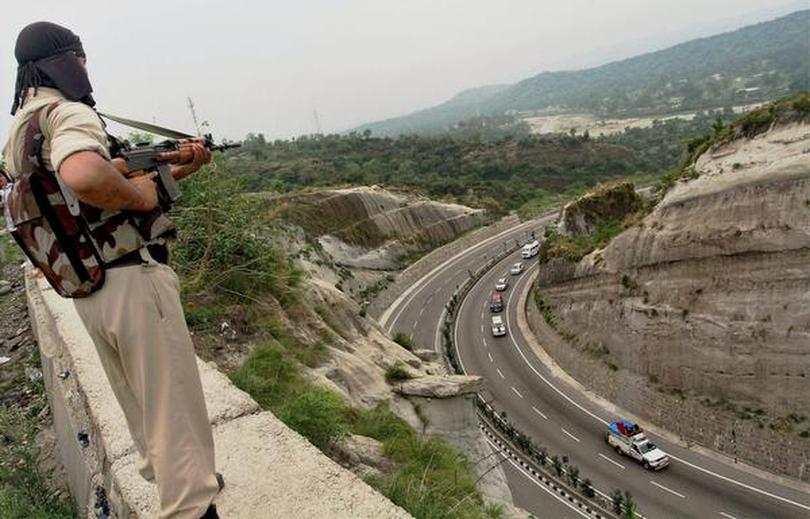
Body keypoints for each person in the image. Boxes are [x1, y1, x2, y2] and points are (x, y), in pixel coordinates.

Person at [3, 22, 221, 519]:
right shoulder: (69, 114)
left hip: (89, 288)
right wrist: (143, 193)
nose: (85, 68)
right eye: (80, 58)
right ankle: (191, 505)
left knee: (145, 411)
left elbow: (89, 194)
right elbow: (85, 175)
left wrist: (180, 167)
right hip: (132, 281)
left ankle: (168, 479)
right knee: (176, 412)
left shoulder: (22, 128)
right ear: (62, 61)